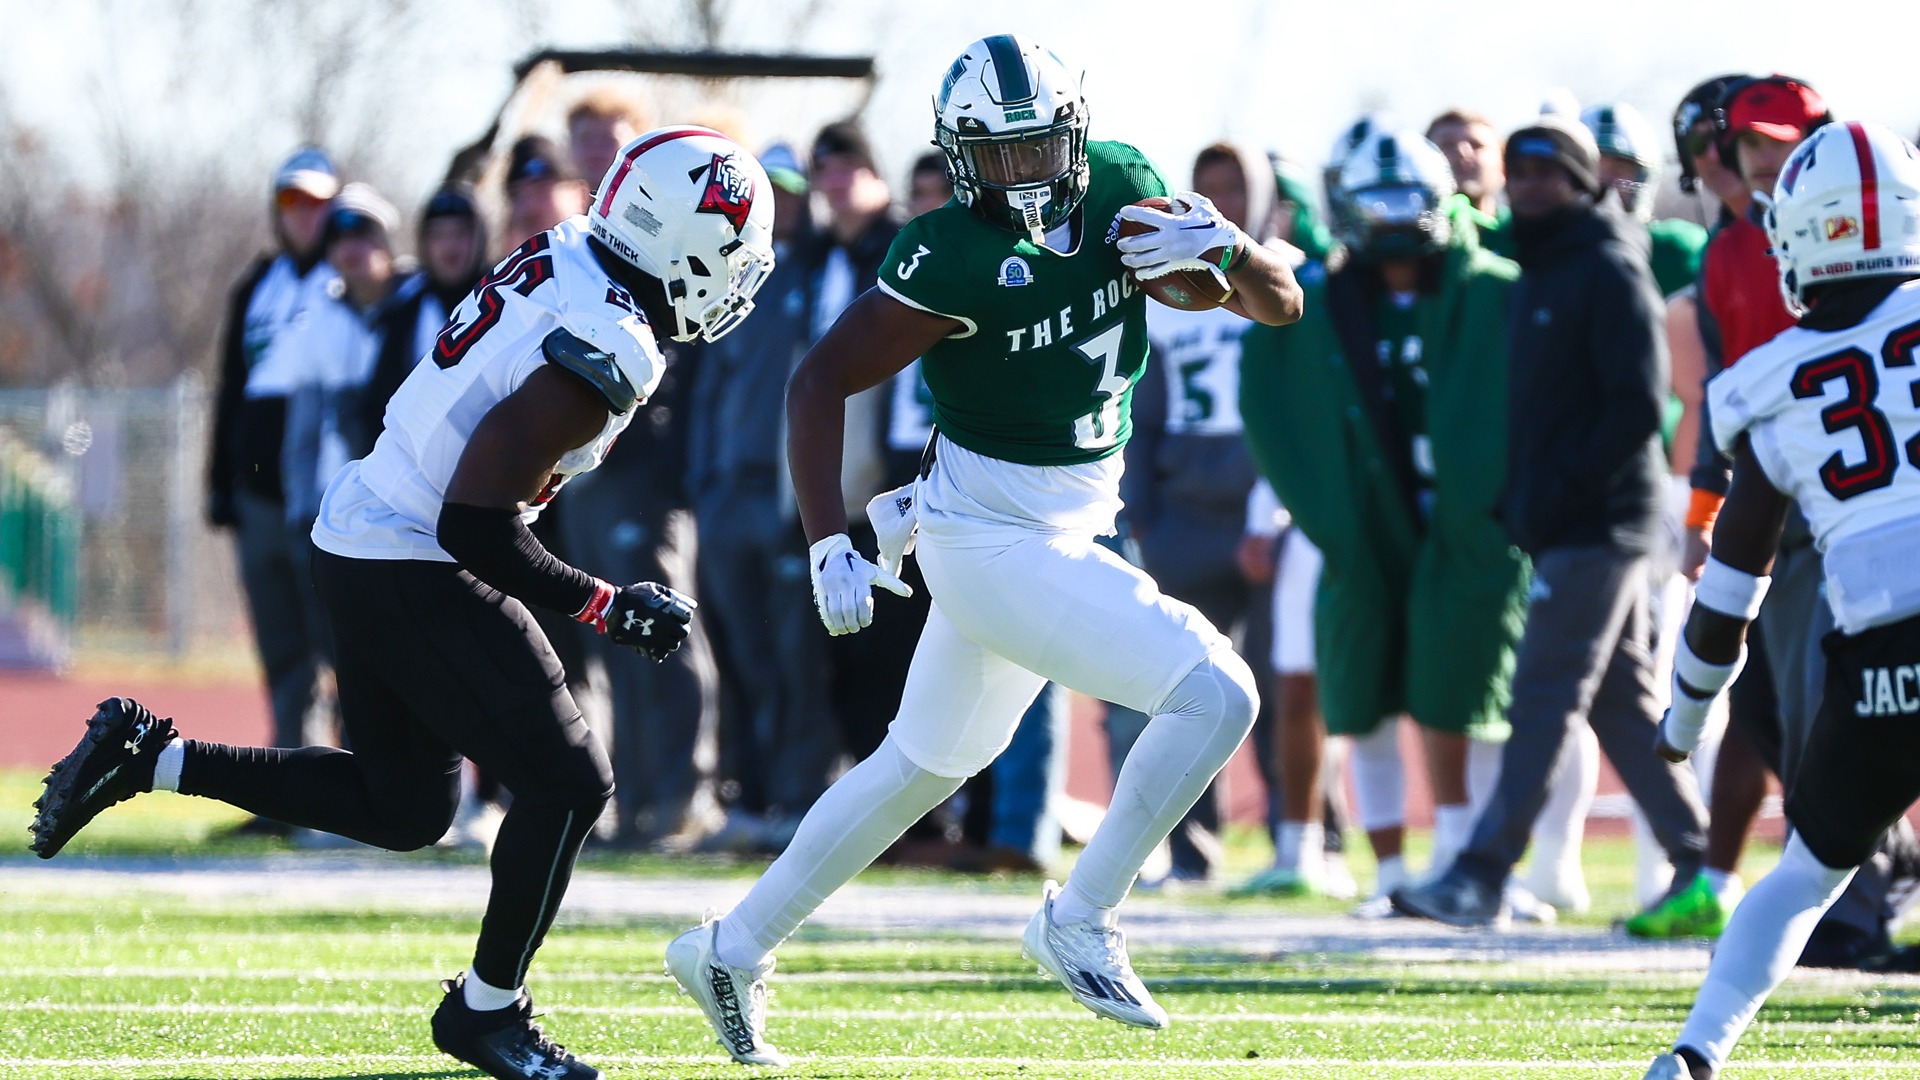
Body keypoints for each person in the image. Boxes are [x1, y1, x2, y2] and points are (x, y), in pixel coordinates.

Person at [29, 127, 778, 1080]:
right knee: (571, 781)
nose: (739, 271)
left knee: (406, 806)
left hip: (365, 529)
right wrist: (604, 605)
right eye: (732, 246)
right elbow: (477, 526)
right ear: (680, 241)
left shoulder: (574, 254)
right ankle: (488, 1012)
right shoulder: (612, 343)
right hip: (415, 550)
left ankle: (150, 758)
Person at [663, 35, 1302, 1065]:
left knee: (920, 766)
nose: (1022, 176)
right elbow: (817, 381)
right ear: (959, 156)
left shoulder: (1129, 188)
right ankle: (1081, 915)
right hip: (987, 535)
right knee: (1217, 692)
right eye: (994, 156)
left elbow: (1283, 305)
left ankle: (730, 949)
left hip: (1060, 522)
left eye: (1037, 148)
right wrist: (828, 535)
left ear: (1076, 136)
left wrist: (1229, 249)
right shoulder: (947, 249)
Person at [1641, 120, 1920, 1080]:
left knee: (1808, 868)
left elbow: (1732, 582)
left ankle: (1696, 1051)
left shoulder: (1765, 383)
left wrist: (1684, 717)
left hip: (1882, 660)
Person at [1392, 115, 1709, 927]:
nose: (1532, 184)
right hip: (1570, 520)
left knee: (1541, 693)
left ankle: (1480, 873)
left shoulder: (1606, 266)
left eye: (1550, 171)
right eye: (1520, 170)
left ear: (1580, 181)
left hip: (1602, 524)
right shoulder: (1539, 268)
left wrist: (1559, 493)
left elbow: (1642, 403)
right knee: (1621, 707)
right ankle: (1702, 866)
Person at [1239, 129, 1525, 910]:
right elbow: (1273, 405)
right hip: (1364, 529)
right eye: (1380, 202)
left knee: (1466, 692)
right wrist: (1323, 512)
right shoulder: (1323, 302)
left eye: (1411, 201)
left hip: (1470, 528)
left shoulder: (1490, 287)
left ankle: (1467, 861)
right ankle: (1395, 872)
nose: (1397, 219)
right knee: (1360, 691)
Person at [1110, 139, 1338, 894]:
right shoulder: (1167, 285)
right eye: (1205, 191)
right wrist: (1139, 510)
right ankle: (1186, 852)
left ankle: (1303, 839)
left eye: (1233, 191)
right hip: (1183, 512)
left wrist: (1273, 508)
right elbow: (1143, 404)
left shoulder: (1284, 272)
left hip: (1270, 506)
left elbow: (1303, 410)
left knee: (1287, 680)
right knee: (1182, 689)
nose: (1219, 206)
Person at [686, 143, 838, 851]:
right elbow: (708, 388)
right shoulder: (729, 277)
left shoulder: (824, 271)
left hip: (789, 498)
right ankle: (747, 799)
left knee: (795, 658)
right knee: (741, 655)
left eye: (793, 190)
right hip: (728, 497)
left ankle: (799, 799)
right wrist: (705, 482)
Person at [205, 146, 341, 837]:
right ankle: (288, 796)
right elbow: (231, 388)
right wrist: (220, 486)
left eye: (318, 203)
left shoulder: (348, 282)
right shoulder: (256, 285)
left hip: (322, 498)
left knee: (341, 650)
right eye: (293, 203)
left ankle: (348, 795)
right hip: (259, 495)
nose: (305, 217)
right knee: (284, 650)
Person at [1427, 109, 1510, 257]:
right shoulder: (1416, 242)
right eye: (1447, 145)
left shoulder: (1527, 235)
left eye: (1477, 145)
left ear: (1504, 166)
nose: (1463, 152)